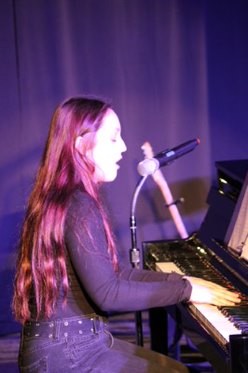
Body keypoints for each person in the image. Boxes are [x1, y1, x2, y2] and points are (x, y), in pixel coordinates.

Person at [12, 97, 240, 373]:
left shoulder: (65, 198)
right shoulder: (79, 206)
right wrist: (186, 290)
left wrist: (184, 281)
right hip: (69, 354)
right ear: (81, 145)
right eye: (113, 138)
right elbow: (109, 294)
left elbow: (115, 275)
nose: (123, 148)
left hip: (66, 345)